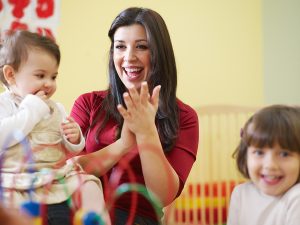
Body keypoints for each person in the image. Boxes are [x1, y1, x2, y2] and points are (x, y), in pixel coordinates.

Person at [71, 7, 199, 225]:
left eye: (142, 46)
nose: (129, 57)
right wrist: (123, 144)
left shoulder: (185, 117)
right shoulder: (88, 103)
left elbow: (162, 197)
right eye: (120, 47)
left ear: (159, 53)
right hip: (83, 213)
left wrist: (147, 131)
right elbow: (70, 174)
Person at [0, 30, 111, 225]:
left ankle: (94, 220)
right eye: (40, 75)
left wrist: (74, 138)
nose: (49, 84)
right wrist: (31, 111)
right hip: (16, 180)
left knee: (89, 184)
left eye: (53, 76)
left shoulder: (56, 108)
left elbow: (65, 148)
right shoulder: (5, 104)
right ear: (10, 75)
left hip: (54, 175)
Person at [227, 105, 300, 225]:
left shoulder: (296, 197)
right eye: (259, 152)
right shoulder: (241, 193)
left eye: (284, 154)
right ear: (245, 156)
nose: (270, 165)